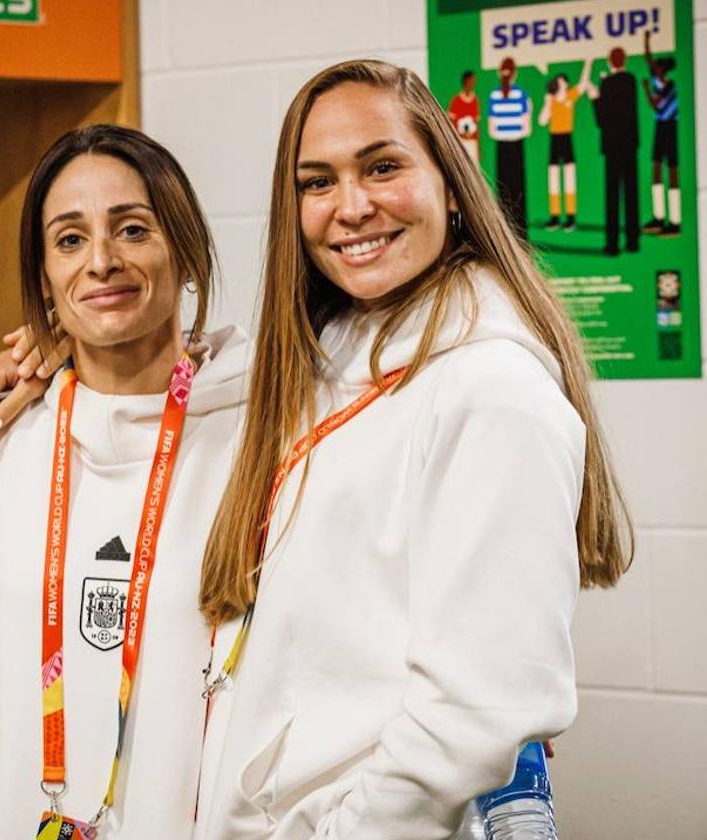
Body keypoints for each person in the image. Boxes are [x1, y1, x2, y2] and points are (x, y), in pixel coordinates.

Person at [193, 59, 629, 839]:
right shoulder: (332, 355)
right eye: (316, 182)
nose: (351, 207)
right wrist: (37, 357)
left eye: (383, 166)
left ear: (451, 182)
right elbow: (168, 368)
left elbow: (478, 711)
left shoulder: (490, 387)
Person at [0, 124, 248, 839]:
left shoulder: (261, 434)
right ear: (44, 275)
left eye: (132, 230)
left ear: (187, 249)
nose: (102, 261)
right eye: (69, 240)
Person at [589, 46, 640, 254]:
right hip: (630, 144)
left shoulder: (606, 84)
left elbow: (601, 119)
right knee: (631, 193)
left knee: (612, 196)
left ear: (610, 62)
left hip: (612, 146)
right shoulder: (631, 81)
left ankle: (612, 244)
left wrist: (595, 98)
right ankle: (633, 241)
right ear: (624, 61)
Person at [538, 60, 591, 231]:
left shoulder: (570, 96)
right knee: (553, 178)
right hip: (554, 139)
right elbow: (541, 121)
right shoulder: (551, 100)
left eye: (562, 81)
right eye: (558, 81)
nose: (560, 83)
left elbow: (583, 84)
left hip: (567, 139)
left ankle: (570, 217)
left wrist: (588, 63)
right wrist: (548, 101)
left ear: (566, 84)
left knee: (569, 178)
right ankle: (554, 217)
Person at [487, 56, 531, 240]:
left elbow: (491, 130)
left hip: (502, 147)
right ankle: (522, 233)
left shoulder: (493, 97)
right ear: (516, 74)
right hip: (516, 146)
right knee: (518, 188)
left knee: (503, 190)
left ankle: (506, 235)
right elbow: (527, 129)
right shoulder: (522, 96)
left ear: (500, 73)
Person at [641, 29, 680, 237]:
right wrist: (646, 40)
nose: (654, 69)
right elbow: (648, 59)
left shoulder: (670, 86)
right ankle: (658, 216)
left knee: (672, 171)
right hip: (660, 127)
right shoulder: (657, 80)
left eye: (657, 68)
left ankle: (674, 221)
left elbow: (656, 105)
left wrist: (646, 89)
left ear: (663, 71)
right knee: (656, 168)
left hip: (669, 127)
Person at [447, 70, 480, 165]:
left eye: (473, 81)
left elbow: (476, 124)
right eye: (470, 81)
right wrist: (458, 137)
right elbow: (450, 123)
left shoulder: (475, 100)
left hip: (472, 143)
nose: (472, 84)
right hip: (459, 142)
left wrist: (477, 146)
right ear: (465, 81)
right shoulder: (456, 100)